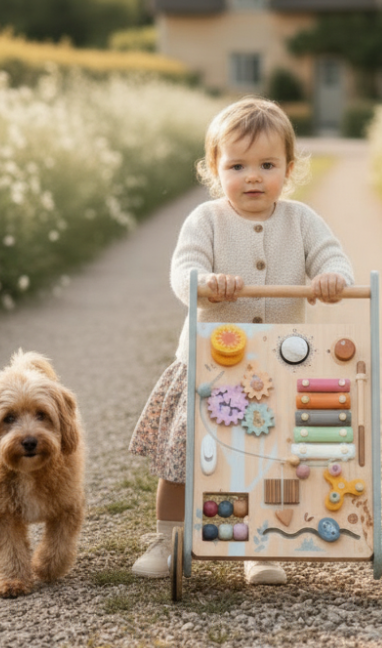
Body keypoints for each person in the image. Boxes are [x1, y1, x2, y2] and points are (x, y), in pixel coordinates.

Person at [128, 96, 354, 584]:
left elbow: (333, 259)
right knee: (184, 457)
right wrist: (206, 283)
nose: (253, 177)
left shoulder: (302, 221)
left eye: (267, 165)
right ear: (215, 170)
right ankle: (168, 538)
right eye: (238, 166)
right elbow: (183, 270)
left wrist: (332, 279)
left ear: (289, 170)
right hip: (211, 366)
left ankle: (260, 544)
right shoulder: (206, 221)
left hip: (278, 368)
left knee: (270, 457)